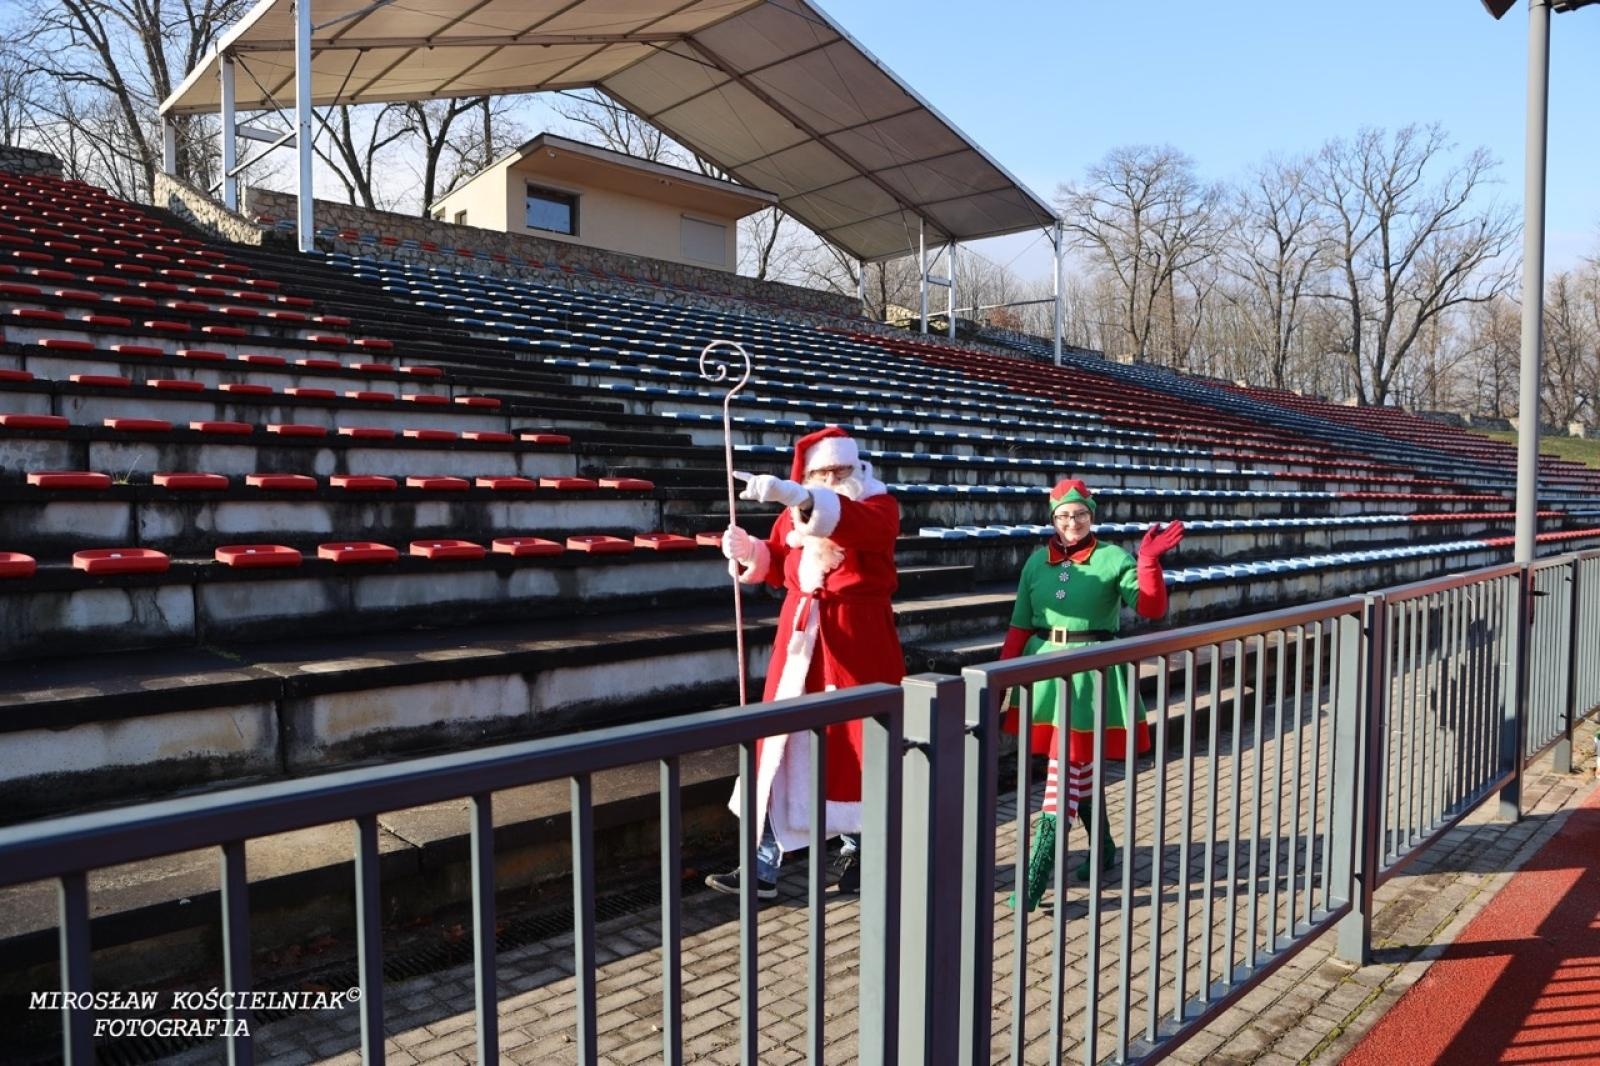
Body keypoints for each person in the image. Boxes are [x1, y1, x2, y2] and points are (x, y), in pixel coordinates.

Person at [706, 426, 906, 900]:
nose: (834, 477)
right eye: (823, 471)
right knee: (780, 748)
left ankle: (860, 850)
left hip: (859, 644)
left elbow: (856, 526)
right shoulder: (792, 516)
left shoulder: (879, 504)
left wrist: (801, 496)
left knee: (858, 749)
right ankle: (761, 865)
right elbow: (777, 563)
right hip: (799, 645)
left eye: (841, 469)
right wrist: (748, 552)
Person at [999, 479, 1184, 911]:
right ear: (1053, 519)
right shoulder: (1035, 564)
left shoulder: (1112, 558)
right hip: (1042, 670)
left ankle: (1035, 877)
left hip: (1090, 673)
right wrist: (1001, 681)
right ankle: (1102, 847)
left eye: (1079, 514)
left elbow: (1152, 608)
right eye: (1063, 516)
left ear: (1091, 515)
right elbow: (1019, 625)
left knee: (1062, 770)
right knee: (1070, 763)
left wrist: (1148, 562)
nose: (1071, 523)